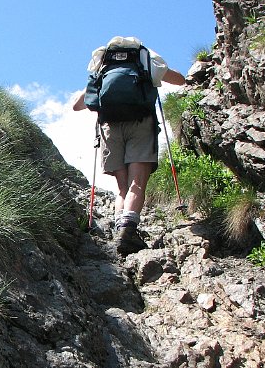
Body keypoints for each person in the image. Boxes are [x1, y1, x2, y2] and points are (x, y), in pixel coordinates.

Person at [73, 36, 185, 256]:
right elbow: (179, 80)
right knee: (137, 183)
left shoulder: (103, 65)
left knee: (123, 187)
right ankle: (128, 232)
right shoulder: (144, 58)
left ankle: (120, 231)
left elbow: (77, 106)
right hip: (140, 124)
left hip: (110, 127)